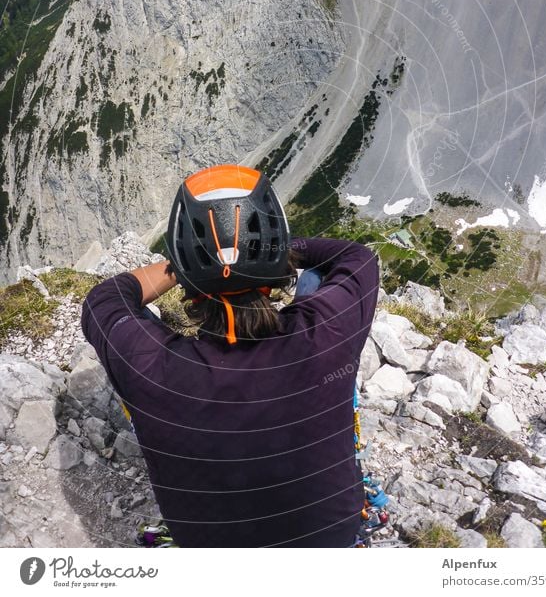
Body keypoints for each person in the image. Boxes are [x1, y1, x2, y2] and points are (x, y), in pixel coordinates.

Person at [82, 164, 379, 547]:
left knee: (132, 328)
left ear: (190, 288)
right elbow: (357, 258)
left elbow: (104, 299)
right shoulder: (325, 336)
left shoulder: (153, 367)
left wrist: (188, 265)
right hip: (331, 542)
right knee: (313, 281)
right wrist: (272, 251)